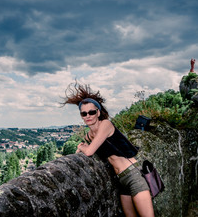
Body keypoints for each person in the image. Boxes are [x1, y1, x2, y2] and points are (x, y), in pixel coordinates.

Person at [62, 82, 154, 217]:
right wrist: (80, 148)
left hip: (133, 175)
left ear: (98, 112)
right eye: (84, 113)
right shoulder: (89, 135)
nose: (88, 116)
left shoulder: (106, 125)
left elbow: (89, 151)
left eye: (91, 112)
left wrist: (82, 147)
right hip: (121, 180)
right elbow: (80, 153)